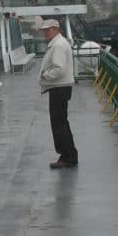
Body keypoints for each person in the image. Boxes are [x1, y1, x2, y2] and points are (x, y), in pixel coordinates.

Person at [37, 18, 78, 169]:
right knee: (61, 123)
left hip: (59, 88)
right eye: (45, 30)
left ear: (56, 29)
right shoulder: (59, 43)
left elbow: (59, 69)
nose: (46, 32)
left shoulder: (59, 45)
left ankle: (68, 157)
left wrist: (45, 75)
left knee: (59, 124)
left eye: (48, 30)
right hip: (60, 87)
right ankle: (69, 155)